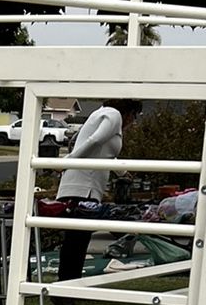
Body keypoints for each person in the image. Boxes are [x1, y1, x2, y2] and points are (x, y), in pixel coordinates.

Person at [52, 99, 144, 291]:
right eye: (134, 116)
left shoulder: (101, 114)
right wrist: (68, 162)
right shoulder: (113, 115)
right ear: (128, 112)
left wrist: (121, 171)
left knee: (77, 241)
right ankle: (65, 290)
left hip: (86, 186)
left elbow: (104, 152)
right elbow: (95, 140)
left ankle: (69, 288)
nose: (132, 122)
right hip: (83, 187)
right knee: (75, 243)